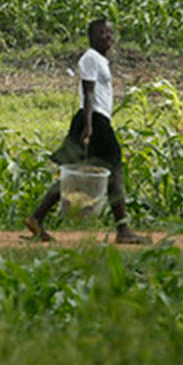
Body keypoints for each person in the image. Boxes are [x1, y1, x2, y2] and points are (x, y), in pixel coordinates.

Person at [23, 17, 150, 245]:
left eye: (110, 33)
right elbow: (88, 93)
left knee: (74, 171)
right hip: (95, 120)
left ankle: (37, 217)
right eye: (102, 33)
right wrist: (90, 126)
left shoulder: (99, 60)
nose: (108, 37)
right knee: (115, 168)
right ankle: (123, 229)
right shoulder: (90, 58)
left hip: (91, 120)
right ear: (91, 37)